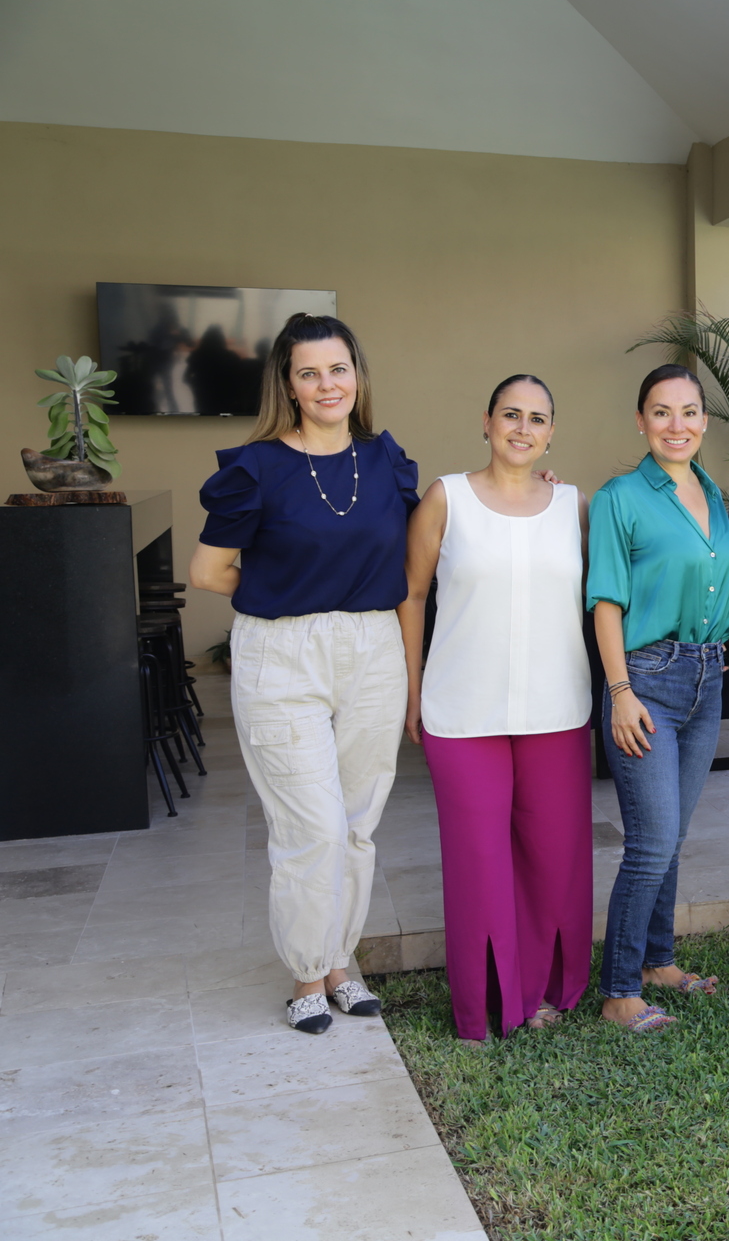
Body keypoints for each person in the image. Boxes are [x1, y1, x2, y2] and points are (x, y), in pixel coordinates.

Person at [189, 312, 416, 1034]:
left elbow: (429, 543)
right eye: (309, 373)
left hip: (373, 648)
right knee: (311, 825)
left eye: (338, 369)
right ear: (287, 385)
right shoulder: (256, 468)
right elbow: (207, 571)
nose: (327, 384)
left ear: (358, 376)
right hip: (282, 653)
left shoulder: (384, 459)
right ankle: (307, 975)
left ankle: (340, 963)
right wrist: (280, 592)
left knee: (357, 823)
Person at [399, 374, 594, 1041]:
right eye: (511, 414)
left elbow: (603, 598)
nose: (522, 428)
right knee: (479, 865)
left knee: (552, 859)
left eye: (537, 418)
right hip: (462, 711)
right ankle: (489, 1004)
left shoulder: (574, 505)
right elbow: (412, 595)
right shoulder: (445, 498)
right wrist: (412, 689)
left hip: (557, 710)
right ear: (486, 422)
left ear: (551, 432)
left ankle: (543, 989)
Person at [587, 365, 729, 1033]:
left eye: (688, 412)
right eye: (661, 412)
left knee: (673, 836)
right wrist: (620, 691)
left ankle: (658, 963)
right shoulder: (619, 498)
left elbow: (718, 575)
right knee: (651, 842)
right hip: (646, 681)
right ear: (641, 421)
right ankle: (620, 991)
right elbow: (606, 600)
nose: (676, 425)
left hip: (707, 678)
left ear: (704, 421)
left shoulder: (711, 492)